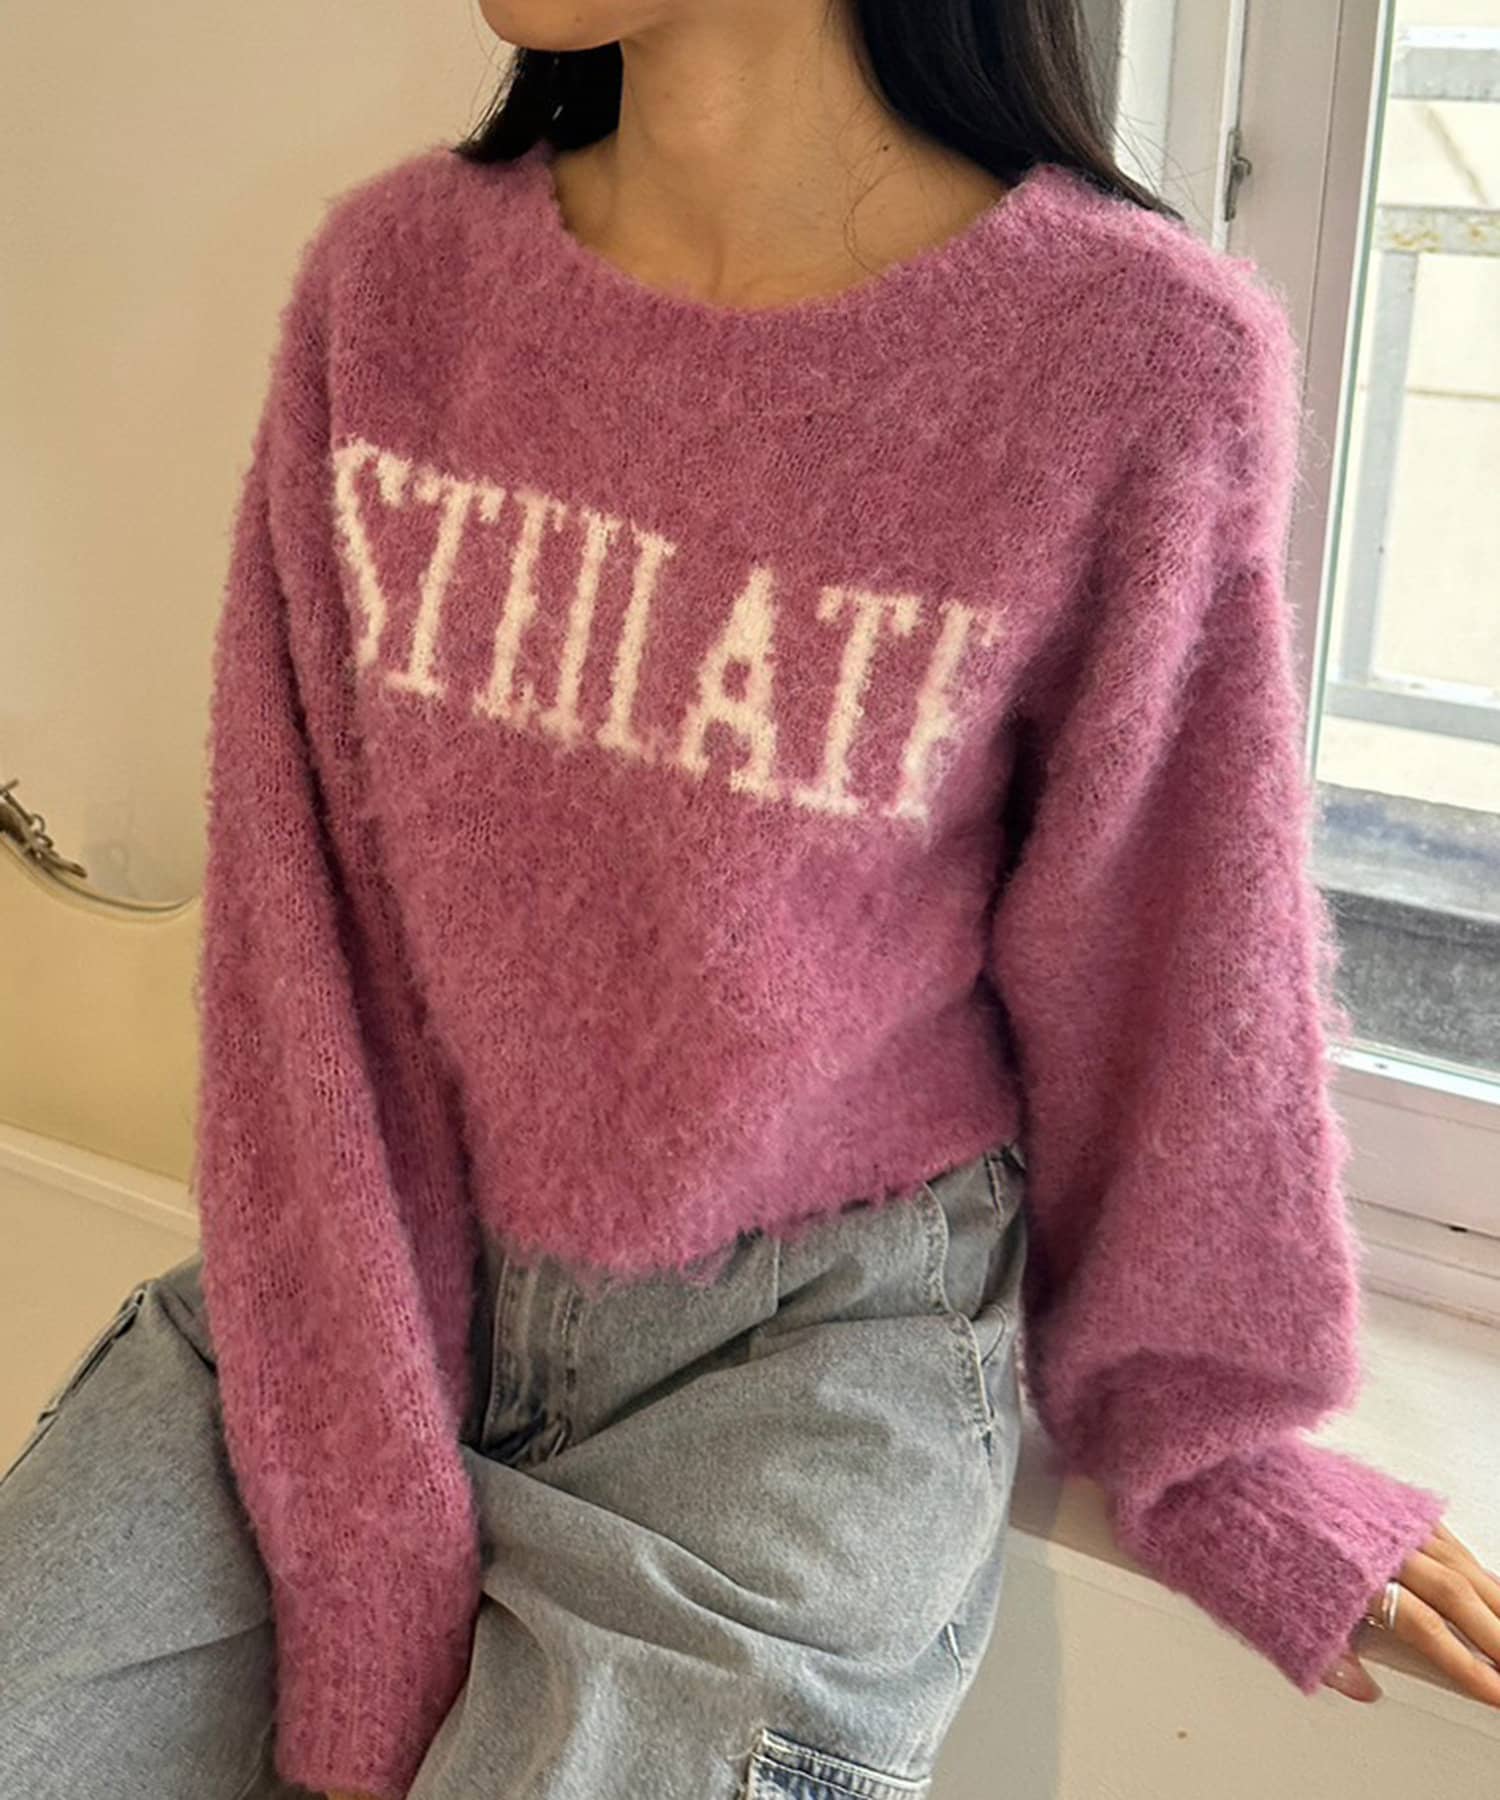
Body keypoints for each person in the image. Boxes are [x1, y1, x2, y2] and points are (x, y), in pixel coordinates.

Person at [2, 3, 1497, 1797]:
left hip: (812, 1358)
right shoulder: (392, 289)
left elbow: (1172, 959)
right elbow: (298, 950)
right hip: (361, 1277)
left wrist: (1217, 1438)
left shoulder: (1133, 360)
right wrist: (362, 1559)